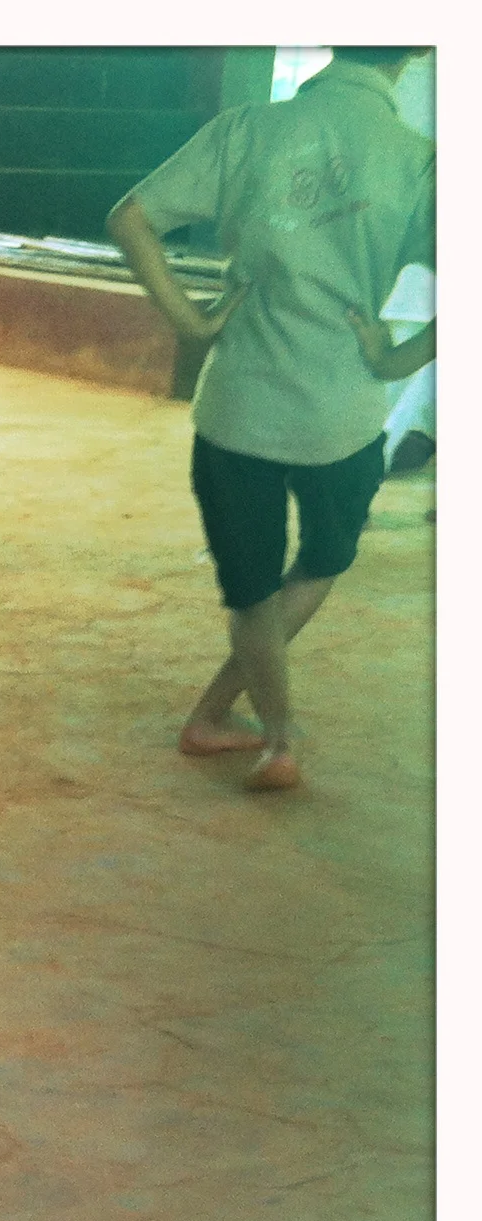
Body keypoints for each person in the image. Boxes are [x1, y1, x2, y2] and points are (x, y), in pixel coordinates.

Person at [106, 47, 435, 793]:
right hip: (344, 412)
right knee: (323, 561)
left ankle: (257, 730)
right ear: (417, 49)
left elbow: (129, 218)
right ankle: (252, 729)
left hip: (239, 405)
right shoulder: (420, 163)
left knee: (250, 588)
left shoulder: (246, 129)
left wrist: (191, 322)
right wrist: (395, 360)